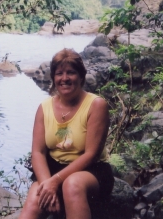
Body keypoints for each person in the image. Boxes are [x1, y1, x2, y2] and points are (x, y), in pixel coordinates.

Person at [19, 48, 114, 219]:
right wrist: (47, 185)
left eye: (71, 72)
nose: (65, 78)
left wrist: (56, 181)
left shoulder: (96, 105)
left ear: (81, 76)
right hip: (53, 168)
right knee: (35, 200)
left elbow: (91, 154)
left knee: (72, 184)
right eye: (59, 73)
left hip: (90, 171)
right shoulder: (44, 108)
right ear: (53, 78)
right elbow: (38, 152)